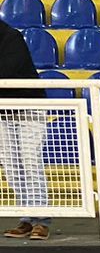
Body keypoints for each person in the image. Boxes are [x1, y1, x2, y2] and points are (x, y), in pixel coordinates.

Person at [0, 18, 50, 240]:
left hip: (29, 107)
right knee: (12, 166)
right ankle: (26, 218)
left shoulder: (11, 37)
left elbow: (9, 70)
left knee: (30, 161)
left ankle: (42, 221)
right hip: (3, 111)